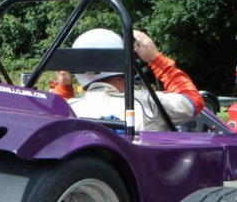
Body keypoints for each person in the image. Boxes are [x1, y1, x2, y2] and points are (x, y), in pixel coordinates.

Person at [51, 28, 204, 131]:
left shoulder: (68, 109)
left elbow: (54, 109)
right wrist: (157, 61)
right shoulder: (148, 104)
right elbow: (194, 101)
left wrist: (64, 87)